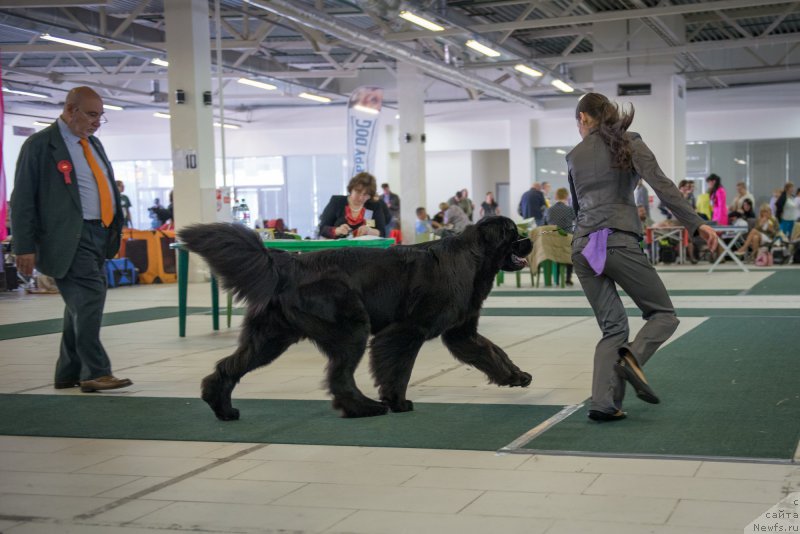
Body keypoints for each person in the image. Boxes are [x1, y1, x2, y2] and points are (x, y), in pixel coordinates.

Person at [567, 92, 717, 422]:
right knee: (663, 313)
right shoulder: (629, 141)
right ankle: (630, 359)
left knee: (612, 328)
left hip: (582, 247)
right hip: (616, 240)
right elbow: (662, 186)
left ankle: (604, 403)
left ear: (583, 119)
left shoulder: (574, 155)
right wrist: (696, 224)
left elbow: (577, 209)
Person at [10, 86, 133, 393]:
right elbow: (23, 198)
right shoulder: (40, 145)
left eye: (100, 117)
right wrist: (23, 246)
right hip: (66, 237)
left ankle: (68, 372)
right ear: (70, 110)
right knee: (90, 297)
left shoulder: (93, 144)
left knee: (79, 306)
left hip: (97, 234)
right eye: (92, 115)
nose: (96, 122)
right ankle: (96, 371)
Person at [318, 172, 386, 238]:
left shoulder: (374, 206)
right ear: (351, 189)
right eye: (358, 192)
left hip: (366, 249)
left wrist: (369, 231)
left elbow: (382, 232)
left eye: (365, 194)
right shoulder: (337, 202)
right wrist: (337, 230)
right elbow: (322, 229)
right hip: (339, 248)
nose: (361, 198)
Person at [543, 187, 576, 285]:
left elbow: (545, 224)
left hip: (553, 241)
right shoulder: (570, 209)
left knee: (556, 255)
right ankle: (568, 279)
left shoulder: (549, 210)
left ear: (556, 196)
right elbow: (576, 220)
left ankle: (556, 279)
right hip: (567, 240)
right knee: (570, 254)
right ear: (566, 196)